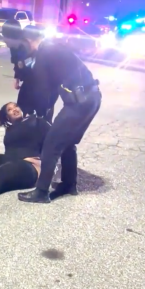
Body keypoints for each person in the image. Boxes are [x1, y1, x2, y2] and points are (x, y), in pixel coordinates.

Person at [17, 24, 102, 204]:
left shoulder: (44, 52)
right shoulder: (56, 47)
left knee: (51, 144)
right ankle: (69, 184)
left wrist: (39, 114)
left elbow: (43, 88)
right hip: (92, 98)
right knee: (68, 142)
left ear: (29, 40)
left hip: (78, 102)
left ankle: (41, 192)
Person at [2, 19, 58, 123]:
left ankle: (44, 132)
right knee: (21, 110)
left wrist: (47, 101)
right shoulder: (14, 47)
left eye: (4, 38)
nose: (4, 41)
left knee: (43, 118)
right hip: (29, 82)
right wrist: (17, 77)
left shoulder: (32, 47)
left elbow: (47, 75)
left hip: (45, 86)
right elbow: (17, 63)